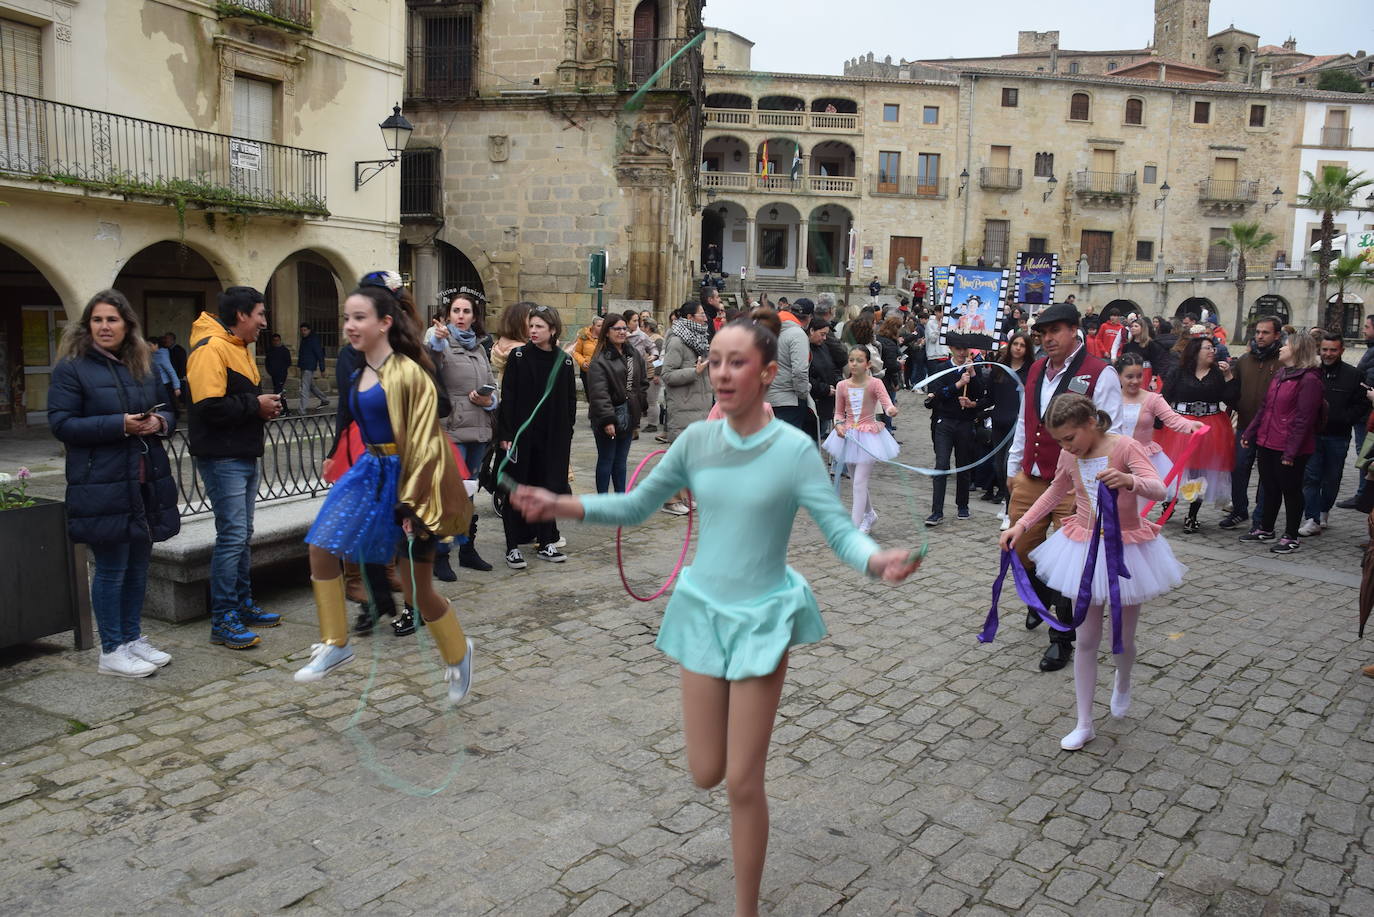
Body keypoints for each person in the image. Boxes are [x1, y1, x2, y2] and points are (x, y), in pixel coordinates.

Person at [510, 318, 921, 917]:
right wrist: (559, 504)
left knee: (741, 782)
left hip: (764, 615)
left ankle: (745, 909)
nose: (722, 374)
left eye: (737, 363)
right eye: (717, 362)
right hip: (702, 610)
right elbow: (635, 504)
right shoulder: (697, 442)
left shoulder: (792, 450)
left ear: (768, 373)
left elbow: (838, 534)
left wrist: (874, 559)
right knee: (706, 772)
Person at [296, 273, 475, 698]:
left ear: (384, 323)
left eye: (360, 317)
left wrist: (413, 505)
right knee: (321, 546)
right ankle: (335, 643)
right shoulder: (358, 369)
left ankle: (458, 653)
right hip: (368, 472)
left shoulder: (409, 373)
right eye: (346, 318)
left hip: (411, 482)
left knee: (418, 590)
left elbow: (426, 443)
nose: (350, 326)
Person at [1000, 394, 1183, 750]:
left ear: (1090, 424)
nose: (1066, 447)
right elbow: (1055, 493)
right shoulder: (1071, 455)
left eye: (1070, 438)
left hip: (1126, 549)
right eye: (1060, 441)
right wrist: (1019, 526)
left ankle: (1123, 680)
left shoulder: (1126, 448)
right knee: (1085, 639)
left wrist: (1129, 481)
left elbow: (1161, 488)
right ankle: (1084, 722)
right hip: (1083, 548)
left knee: (1123, 639)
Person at [49, 290, 180, 677]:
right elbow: (62, 424)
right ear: (87, 325)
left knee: (139, 564)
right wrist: (119, 424)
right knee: (111, 566)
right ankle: (112, 648)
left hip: (142, 479)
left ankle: (132, 637)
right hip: (101, 482)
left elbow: (170, 411)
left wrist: (160, 423)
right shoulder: (72, 368)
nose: (105, 327)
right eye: (97, 320)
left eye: (112, 320)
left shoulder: (142, 363)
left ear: (127, 325)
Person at [1006, 303, 1123, 673]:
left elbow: (1112, 431)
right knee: (1021, 549)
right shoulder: (1038, 368)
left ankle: (1061, 638)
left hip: (1075, 485)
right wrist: (1014, 465)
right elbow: (1027, 420)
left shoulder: (1098, 373)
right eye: (1043, 332)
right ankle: (1038, 599)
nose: (1048, 338)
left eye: (1056, 330)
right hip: (1032, 475)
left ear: (1076, 331)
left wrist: (1095, 484)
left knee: (1069, 568)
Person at [187, 287, 284, 649]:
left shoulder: (238, 348)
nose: (264, 321)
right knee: (231, 537)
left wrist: (264, 407)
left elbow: (238, 401)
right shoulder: (210, 349)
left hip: (241, 452)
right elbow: (207, 407)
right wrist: (253, 405)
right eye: (259, 314)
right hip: (221, 457)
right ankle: (223, 617)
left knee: (241, 535)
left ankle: (241, 604)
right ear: (242, 315)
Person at [496, 304, 577, 567]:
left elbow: (570, 403)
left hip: (552, 439)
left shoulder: (563, 362)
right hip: (522, 437)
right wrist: (506, 434)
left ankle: (546, 542)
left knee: (548, 488)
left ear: (552, 330)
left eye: (539, 326)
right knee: (515, 489)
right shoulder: (518, 357)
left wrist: (566, 436)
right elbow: (508, 398)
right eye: (531, 326)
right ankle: (512, 547)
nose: (533, 330)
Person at [425, 289, 499, 574]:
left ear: (474, 316)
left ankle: (467, 549)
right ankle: (441, 555)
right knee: (451, 495)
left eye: (466, 311)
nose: (461, 316)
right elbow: (431, 369)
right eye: (456, 311)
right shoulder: (440, 343)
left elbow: (493, 383)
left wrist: (489, 400)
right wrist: (436, 342)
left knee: (469, 494)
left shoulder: (479, 348)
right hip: (452, 431)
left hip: (479, 429)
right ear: (447, 315)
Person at [1240, 332, 1325, 554]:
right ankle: (1266, 528)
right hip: (1268, 440)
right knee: (1270, 487)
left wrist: (1290, 453)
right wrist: (1250, 432)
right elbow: (1265, 408)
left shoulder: (1309, 380)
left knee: (1291, 490)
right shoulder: (1281, 374)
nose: (1281, 348)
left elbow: (1304, 420)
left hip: (1290, 446)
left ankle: (1291, 535)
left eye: (1286, 345)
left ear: (1297, 349)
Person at [1155, 337, 1237, 533]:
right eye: (1207, 348)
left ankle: (1192, 515)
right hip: (1180, 426)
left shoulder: (1218, 373)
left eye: (1213, 348)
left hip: (1209, 427)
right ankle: (1168, 502)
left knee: (1200, 471)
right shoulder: (1179, 371)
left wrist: (1228, 376)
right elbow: (1164, 396)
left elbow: (1231, 399)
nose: (1212, 351)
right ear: (1195, 351)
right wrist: (1158, 423)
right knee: (1174, 468)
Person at [1299, 334, 1369, 536]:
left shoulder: (1353, 375)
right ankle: (1311, 517)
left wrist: (1346, 418)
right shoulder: (1311, 372)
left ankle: (1323, 510)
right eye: (1325, 350)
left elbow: (1362, 404)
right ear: (1319, 350)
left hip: (1338, 436)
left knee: (1331, 477)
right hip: (1312, 434)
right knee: (1311, 477)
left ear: (1341, 351)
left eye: (1333, 350)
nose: (1328, 354)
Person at [824, 346, 899, 532]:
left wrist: (891, 410)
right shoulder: (842, 386)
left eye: (859, 360)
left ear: (868, 364)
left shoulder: (875, 384)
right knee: (857, 479)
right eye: (851, 360)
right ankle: (870, 514)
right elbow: (839, 412)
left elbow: (887, 403)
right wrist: (839, 425)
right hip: (848, 436)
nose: (854, 364)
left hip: (869, 437)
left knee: (859, 482)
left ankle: (853, 529)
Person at [1218, 316, 1283, 531]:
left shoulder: (1282, 361)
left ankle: (1261, 516)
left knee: (1267, 474)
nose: (1260, 336)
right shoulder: (1245, 360)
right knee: (1238, 468)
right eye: (1257, 332)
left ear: (1277, 335)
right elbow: (1233, 389)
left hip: (1271, 429)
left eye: (1265, 333)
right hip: (1246, 423)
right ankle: (1239, 509)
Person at [1115, 353, 1204, 499]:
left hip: (1143, 460)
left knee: (1138, 507)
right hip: (1115, 458)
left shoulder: (1152, 399)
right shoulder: (1111, 398)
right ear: (1119, 376)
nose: (1135, 381)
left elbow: (1173, 419)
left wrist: (1191, 425)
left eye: (1139, 376)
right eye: (1129, 377)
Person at [924, 338, 988, 526]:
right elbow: (936, 395)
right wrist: (958, 385)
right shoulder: (942, 368)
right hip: (944, 421)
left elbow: (980, 394)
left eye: (965, 348)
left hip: (965, 423)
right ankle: (937, 511)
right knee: (941, 465)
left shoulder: (973, 369)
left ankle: (963, 505)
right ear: (951, 348)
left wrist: (973, 375)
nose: (961, 353)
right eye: (958, 349)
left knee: (963, 464)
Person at [586, 313, 649, 493]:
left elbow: (642, 382)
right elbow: (599, 393)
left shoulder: (632, 354)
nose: (622, 332)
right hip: (609, 417)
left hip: (629, 414)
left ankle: (621, 499)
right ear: (607, 332)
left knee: (621, 462)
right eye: (617, 329)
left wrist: (640, 402)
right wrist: (607, 420)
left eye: (624, 328)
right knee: (607, 459)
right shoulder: (600, 360)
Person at [986, 331, 1032, 515]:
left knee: (1009, 464)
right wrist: (973, 405)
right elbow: (989, 398)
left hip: (1018, 425)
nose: (1018, 348)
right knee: (998, 466)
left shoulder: (1031, 371)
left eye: (1022, 345)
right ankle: (1007, 500)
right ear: (1010, 345)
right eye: (1016, 344)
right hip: (999, 422)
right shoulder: (998, 369)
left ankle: (1009, 507)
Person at [1337, 314, 1374, 510]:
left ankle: (1363, 495)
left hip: (1367, 413)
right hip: (1366, 411)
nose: (1363, 330)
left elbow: (1368, 381)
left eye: (1367, 327)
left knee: (1366, 455)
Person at [765, 299, 814, 437]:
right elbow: (799, 370)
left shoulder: (770, 330)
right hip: (789, 399)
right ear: (809, 317)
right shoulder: (797, 334)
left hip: (768, 397)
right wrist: (803, 394)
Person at [807, 316, 846, 438]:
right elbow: (806, 377)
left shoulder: (823, 347)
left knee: (821, 431)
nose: (824, 338)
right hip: (814, 400)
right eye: (822, 334)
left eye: (826, 335)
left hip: (826, 401)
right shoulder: (804, 348)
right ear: (812, 330)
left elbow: (833, 367)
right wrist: (824, 389)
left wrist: (839, 381)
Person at [624, 309, 661, 433]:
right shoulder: (620, 335)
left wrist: (653, 356)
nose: (637, 323)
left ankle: (635, 425)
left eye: (638, 321)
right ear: (627, 322)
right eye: (634, 321)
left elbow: (653, 347)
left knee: (636, 398)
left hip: (638, 372)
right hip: (621, 372)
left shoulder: (642, 336)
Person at [1120, 315, 1171, 392]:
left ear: (1142, 329)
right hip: (1130, 374)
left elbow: (1155, 362)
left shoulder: (1150, 344)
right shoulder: (1127, 345)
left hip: (1146, 374)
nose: (1132, 328)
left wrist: (1153, 379)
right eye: (1132, 326)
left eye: (1136, 326)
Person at [489, 301, 534, 381]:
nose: (534, 325)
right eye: (531, 320)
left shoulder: (501, 344)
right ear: (519, 321)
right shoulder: (522, 351)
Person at [297, 322, 328, 413]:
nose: (303, 332)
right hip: (304, 366)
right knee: (311, 386)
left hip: (309, 367)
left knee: (304, 388)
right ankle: (324, 399)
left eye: (305, 330)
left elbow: (319, 354)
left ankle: (302, 411)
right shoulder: (304, 339)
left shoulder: (313, 340)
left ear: (309, 330)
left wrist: (322, 369)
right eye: (302, 330)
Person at [147, 335, 181, 416]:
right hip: (158, 384)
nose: (148, 348)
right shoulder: (152, 355)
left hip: (165, 384)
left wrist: (177, 387)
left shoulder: (161, 356)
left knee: (168, 405)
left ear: (156, 345)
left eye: (150, 345)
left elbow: (171, 371)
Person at [571, 314, 603, 390]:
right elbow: (576, 352)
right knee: (590, 395)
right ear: (593, 326)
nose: (601, 328)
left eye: (603, 326)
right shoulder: (583, 336)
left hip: (601, 371)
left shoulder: (606, 337)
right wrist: (582, 362)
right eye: (599, 326)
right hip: (587, 371)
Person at [264, 332, 291, 404]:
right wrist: (270, 371)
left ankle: (283, 408)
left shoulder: (285, 350)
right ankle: (282, 408)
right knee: (278, 391)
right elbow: (267, 362)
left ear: (280, 340)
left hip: (281, 374)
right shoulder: (270, 350)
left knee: (278, 391)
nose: (276, 342)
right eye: (274, 340)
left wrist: (282, 370)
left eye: (277, 340)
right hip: (274, 374)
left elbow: (288, 362)